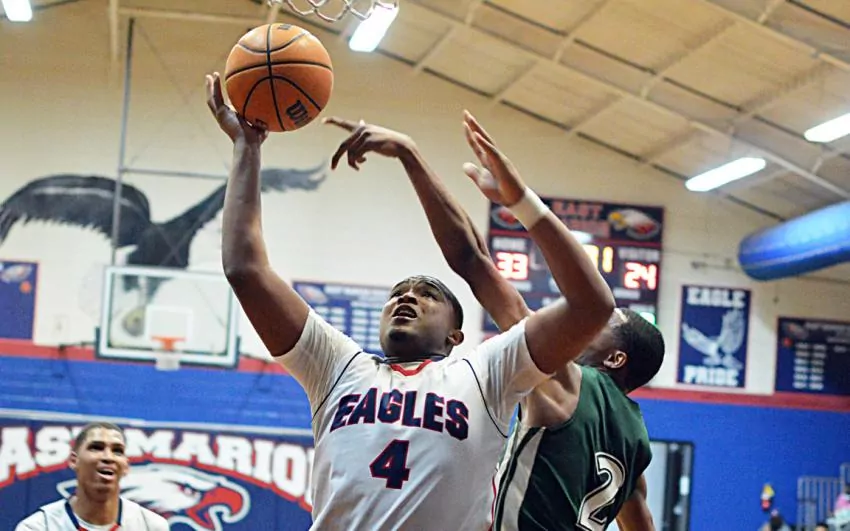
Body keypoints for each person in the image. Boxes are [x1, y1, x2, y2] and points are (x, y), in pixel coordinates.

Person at [205, 72, 615, 530]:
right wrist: (247, 147)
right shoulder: (337, 367)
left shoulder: (485, 373)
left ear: (456, 335)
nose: (407, 298)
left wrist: (523, 204)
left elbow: (591, 306)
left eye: (428, 295)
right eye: (398, 293)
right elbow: (246, 270)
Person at [324, 110, 664, 530]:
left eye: (603, 324)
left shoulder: (566, 379)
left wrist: (412, 156)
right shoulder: (634, 442)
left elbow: (474, 261)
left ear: (614, 357)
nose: (587, 326)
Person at [15, 422, 169, 531]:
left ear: (126, 466)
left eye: (117, 451)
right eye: (96, 448)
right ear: (74, 461)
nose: (108, 457)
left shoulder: (151, 526)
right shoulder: (39, 527)